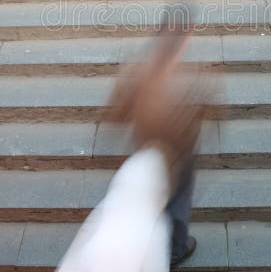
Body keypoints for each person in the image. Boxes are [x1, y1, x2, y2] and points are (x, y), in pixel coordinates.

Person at [58, 24, 213, 271]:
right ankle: (176, 246)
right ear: (185, 37)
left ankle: (175, 241)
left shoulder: (146, 64)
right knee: (177, 197)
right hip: (173, 150)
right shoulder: (177, 75)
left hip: (148, 148)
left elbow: (119, 105)